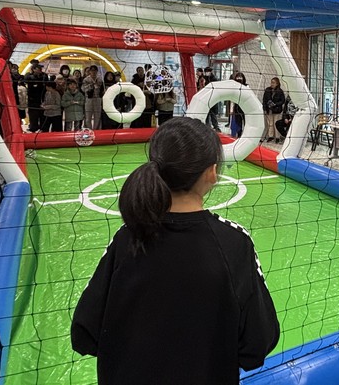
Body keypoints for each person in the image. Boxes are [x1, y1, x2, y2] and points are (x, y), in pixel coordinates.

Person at [71, 117, 279, 384]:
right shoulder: (233, 243)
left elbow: (85, 332)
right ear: (212, 172)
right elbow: (257, 343)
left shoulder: (128, 238)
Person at [262, 77, 286, 142]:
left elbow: (283, 101)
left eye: (273, 83)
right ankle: (270, 136)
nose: (272, 84)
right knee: (270, 124)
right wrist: (264, 109)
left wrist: (275, 104)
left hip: (276, 110)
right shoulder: (267, 90)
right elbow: (264, 100)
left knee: (276, 123)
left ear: (277, 83)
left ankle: (277, 137)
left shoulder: (280, 91)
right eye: (271, 82)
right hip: (269, 110)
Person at [81, 65, 104, 130]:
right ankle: (88, 129)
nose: (93, 72)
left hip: (98, 99)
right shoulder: (86, 79)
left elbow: (102, 89)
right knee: (88, 116)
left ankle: (96, 130)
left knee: (97, 116)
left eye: (95, 70)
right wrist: (92, 86)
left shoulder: (100, 79)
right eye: (92, 70)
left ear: (97, 71)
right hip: (89, 99)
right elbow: (83, 89)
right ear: (90, 71)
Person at [229, 72, 248, 138]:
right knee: (238, 121)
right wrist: (231, 110)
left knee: (246, 121)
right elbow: (232, 99)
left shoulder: (246, 86)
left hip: (245, 107)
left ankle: (246, 134)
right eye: (238, 77)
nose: (239, 78)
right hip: (237, 107)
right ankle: (239, 134)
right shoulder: (234, 87)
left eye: (240, 77)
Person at [203, 66, 221, 131]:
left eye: (207, 72)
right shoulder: (205, 78)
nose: (206, 73)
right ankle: (207, 127)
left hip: (213, 98)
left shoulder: (214, 79)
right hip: (206, 98)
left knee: (213, 114)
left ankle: (216, 127)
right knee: (207, 113)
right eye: (206, 72)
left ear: (210, 72)